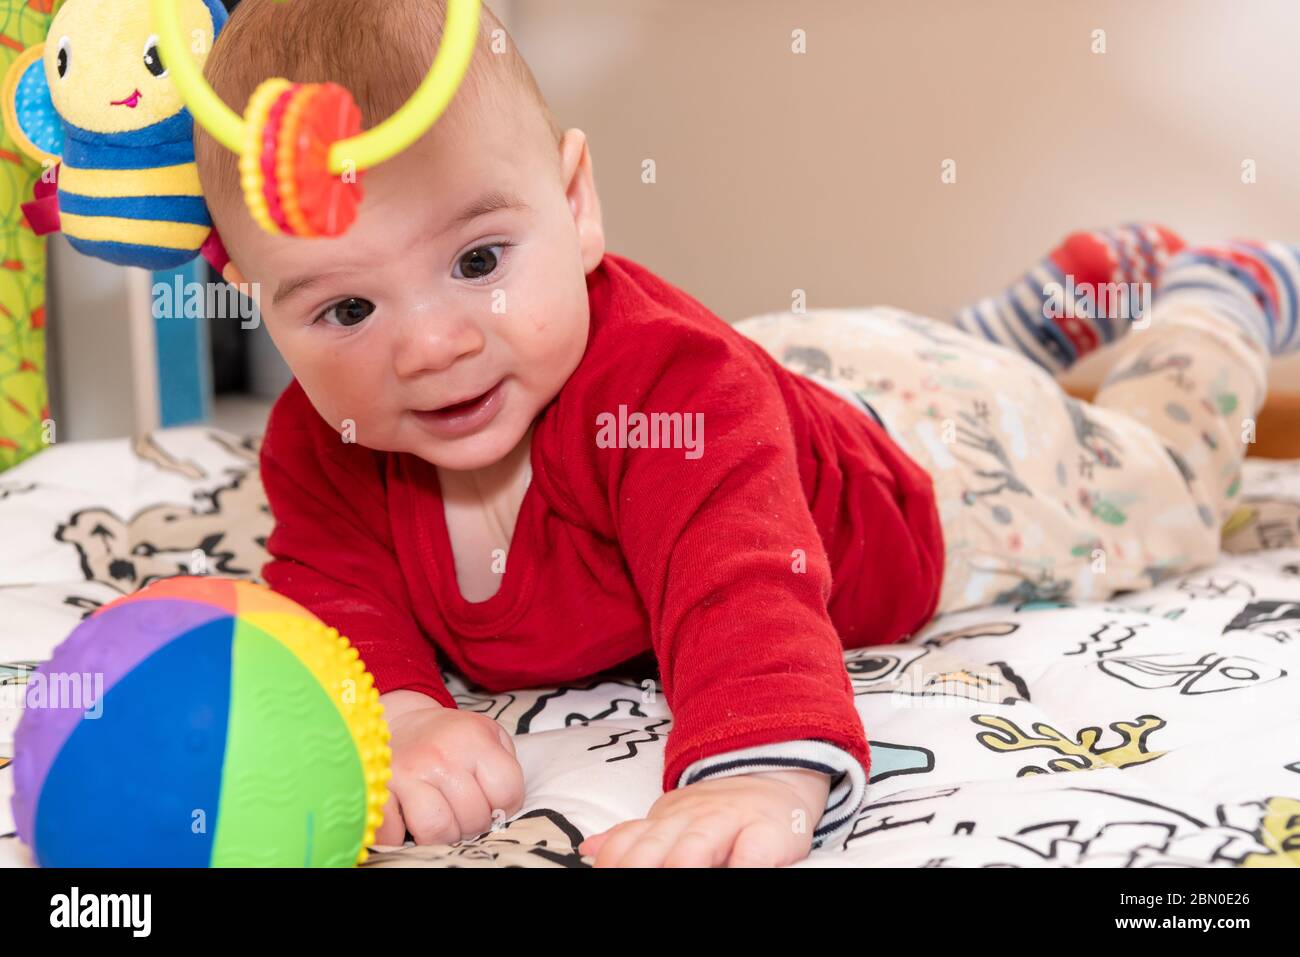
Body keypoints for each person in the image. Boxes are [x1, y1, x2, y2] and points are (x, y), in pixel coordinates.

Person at [194, 0, 1296, 867]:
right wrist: (397, 711)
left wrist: (754, 764)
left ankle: (1217, 302)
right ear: (256, 300)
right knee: (873, 366)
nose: (429, 346)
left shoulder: (671, 391)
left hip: (922, 472)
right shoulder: (320, 442)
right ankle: (1016, 329)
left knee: (1149, 497)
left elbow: (741, 574)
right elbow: (333, 588)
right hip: (793, 374)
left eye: (478, 261)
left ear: (575, 204)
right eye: (346, 309)